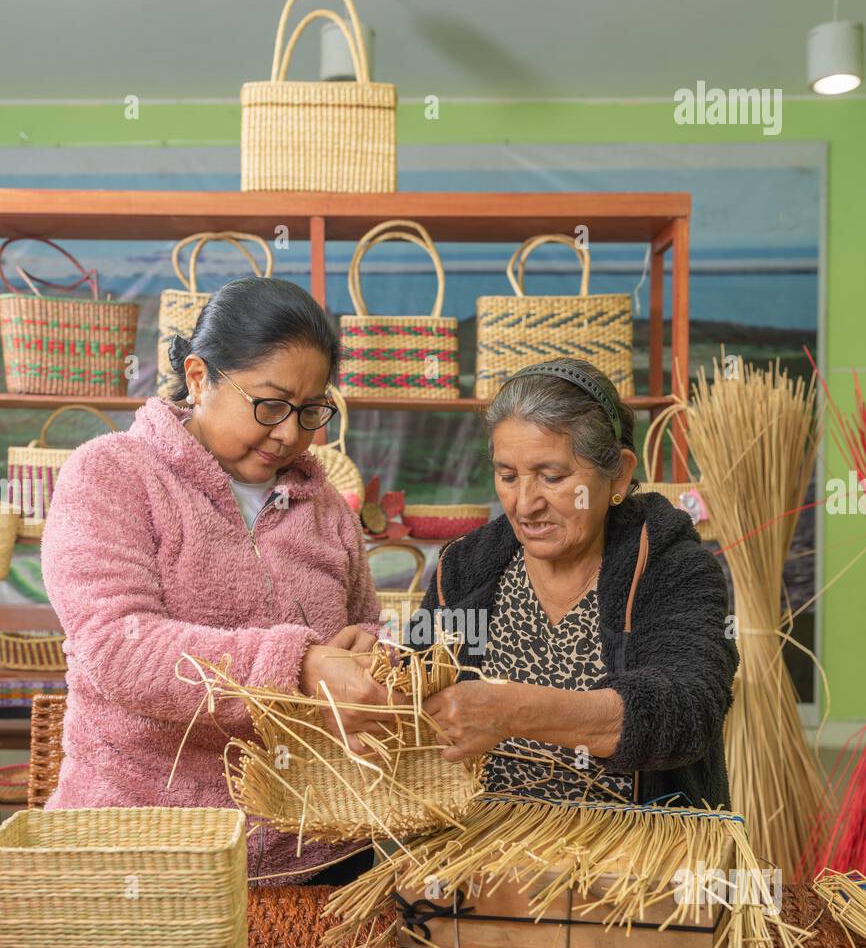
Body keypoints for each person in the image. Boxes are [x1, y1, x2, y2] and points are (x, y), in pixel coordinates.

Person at [40, 275, 400, 885]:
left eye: (311, 410)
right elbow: (117, 646)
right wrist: (300, 665)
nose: (289, 432)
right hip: (148, 850)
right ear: (201, 377)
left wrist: (370, 652)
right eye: (270, 404)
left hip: (315, 850)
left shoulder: (326, 508)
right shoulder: (113, 474)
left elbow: (363, 622)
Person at [410, 358, 739, 810]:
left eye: (553, 477)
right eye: (507, 476)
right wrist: (376, 660)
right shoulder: (466, 567)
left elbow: (687, 712)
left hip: (632, 858)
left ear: (619, 473)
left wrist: (511, 711)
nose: (525, 505)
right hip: (486, 853)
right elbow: (417, 678)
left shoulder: (671, 566)